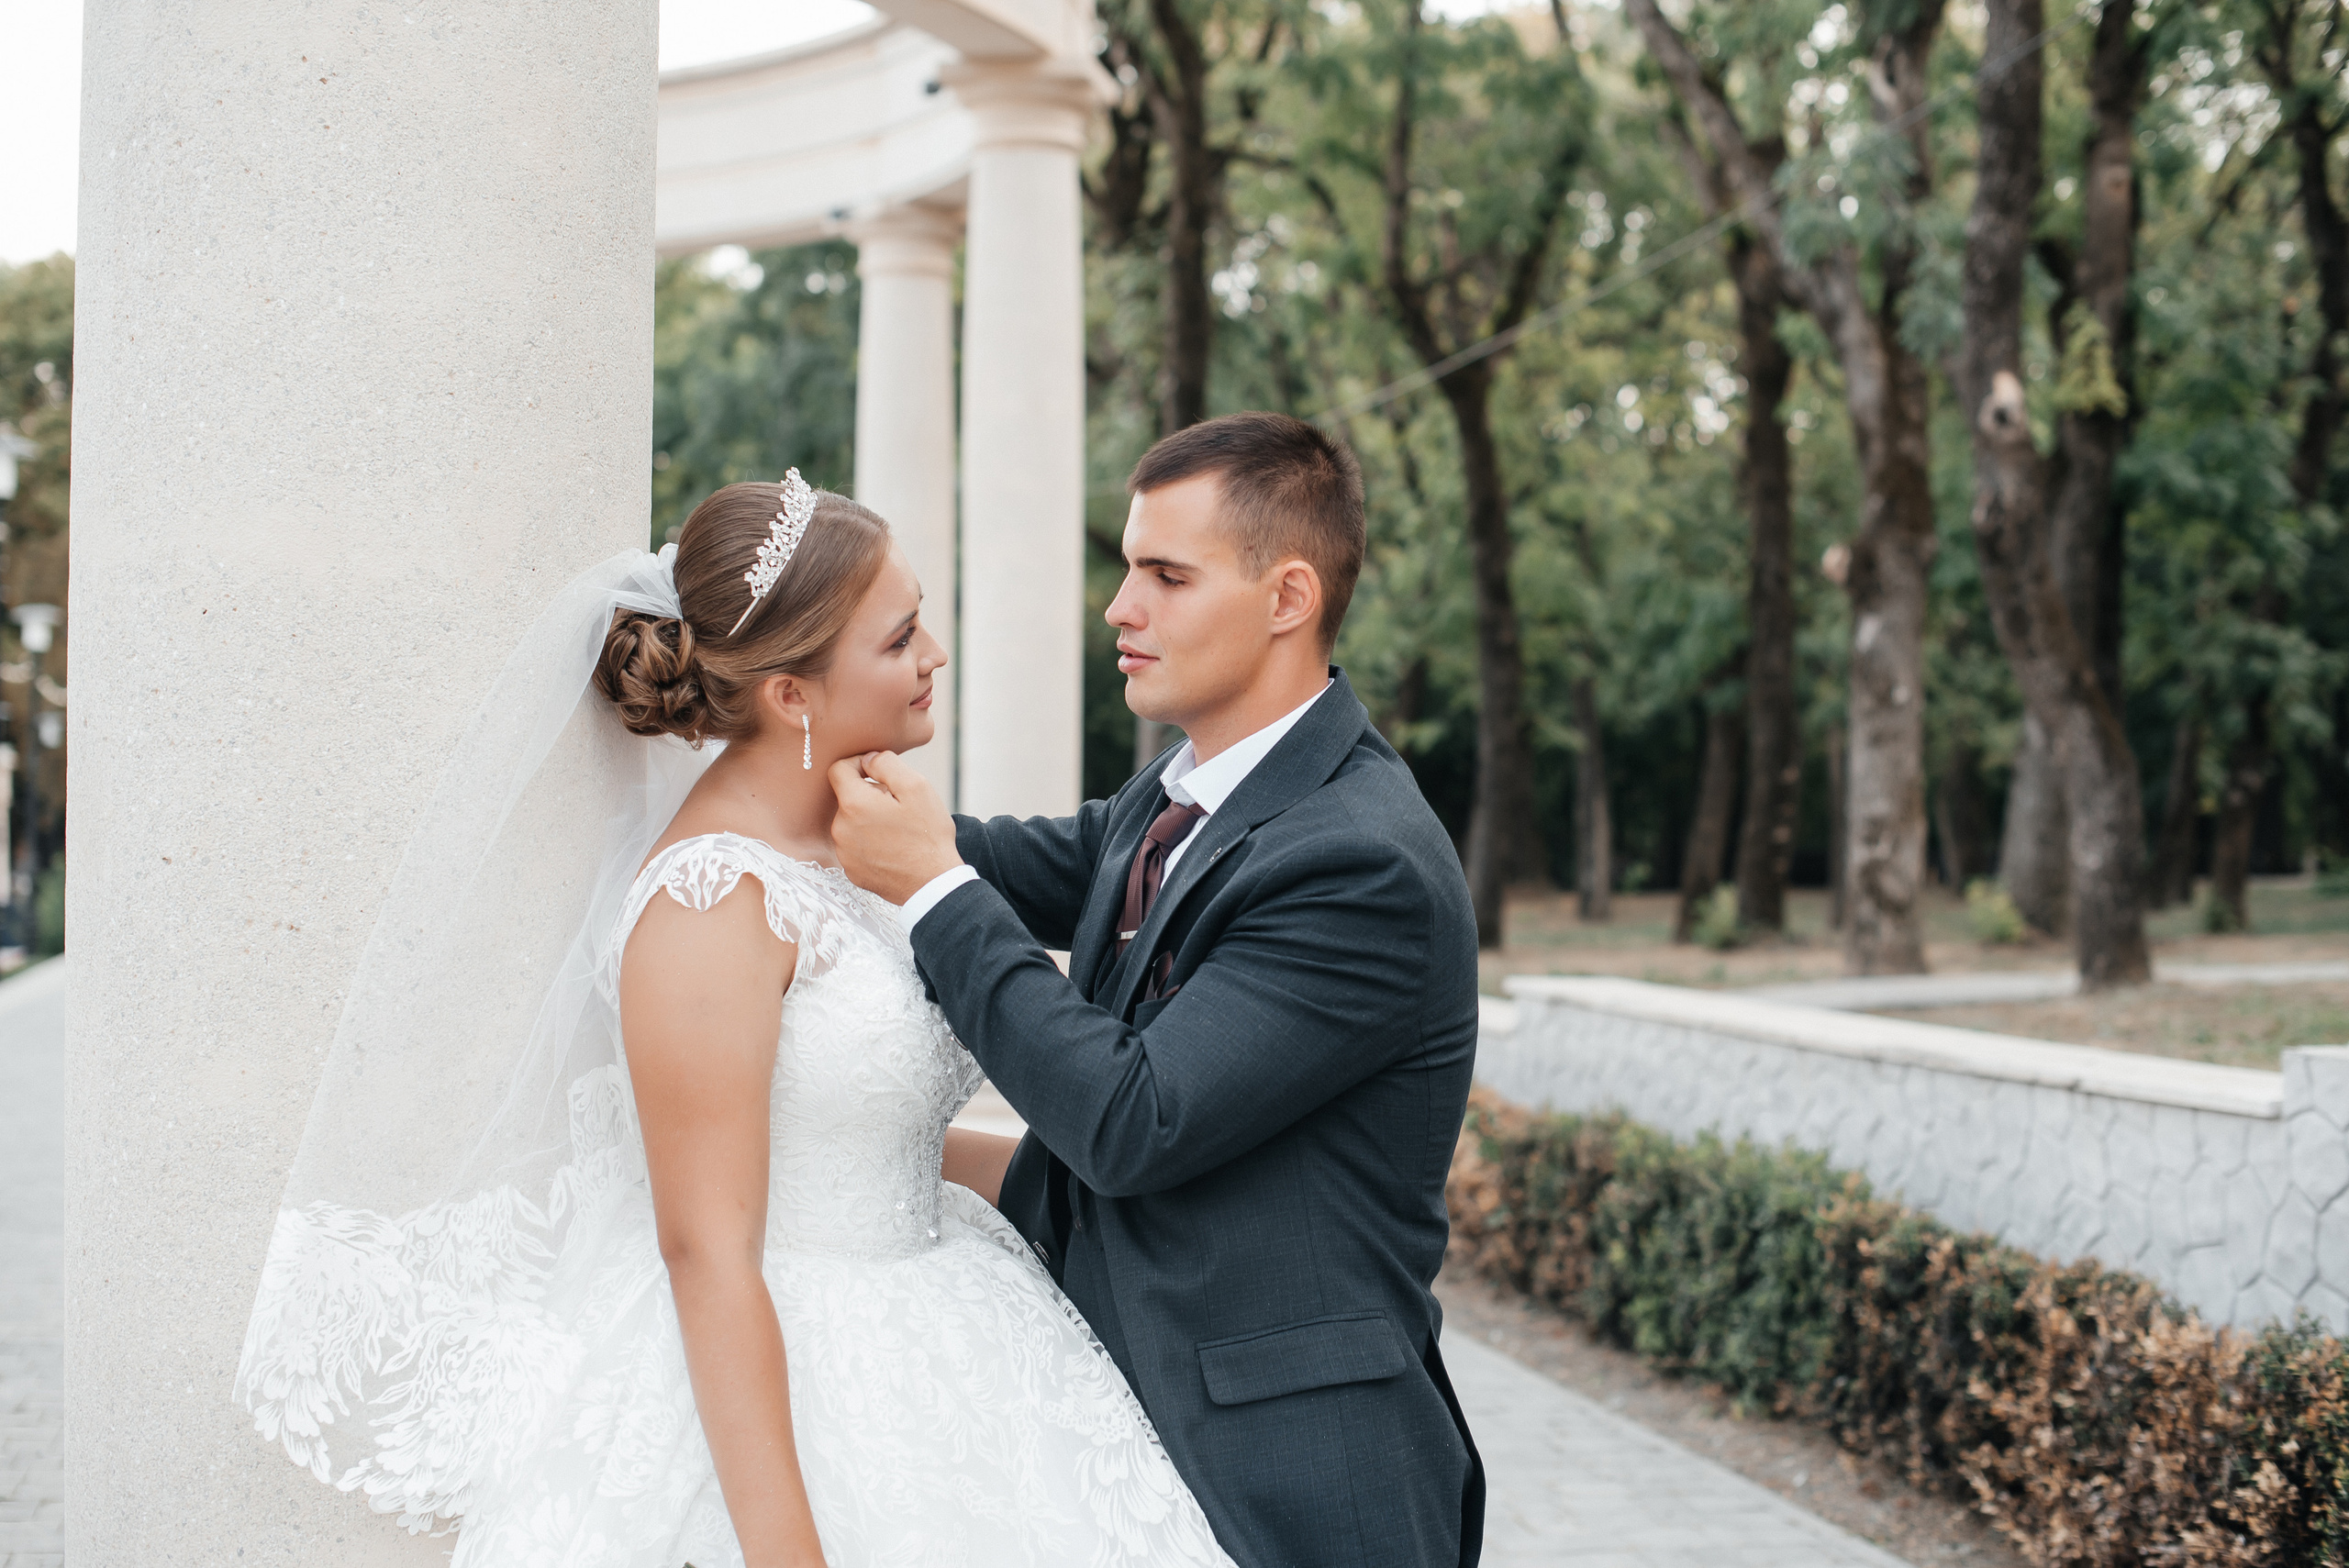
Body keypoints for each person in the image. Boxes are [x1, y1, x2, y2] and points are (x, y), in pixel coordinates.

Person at [237, 473, 1235, 1567]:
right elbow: (706, 1247)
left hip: (953, 1314)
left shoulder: (859, 850)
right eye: (900, 638)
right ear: (792, 696)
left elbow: (853, 1125)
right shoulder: (709, 901)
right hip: (794, 1366)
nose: (934, 655)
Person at [829, 411, 1486, 1568]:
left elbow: (1132, 1121)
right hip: (1108, 1435)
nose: (1119, 608)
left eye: (1164, 575)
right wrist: (776, 751)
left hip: (1285, 1478)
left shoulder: (1361, 862)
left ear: (1287, 597)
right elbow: (980, 849)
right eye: (1126, 567)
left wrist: (929, 892)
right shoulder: (1176, 796)